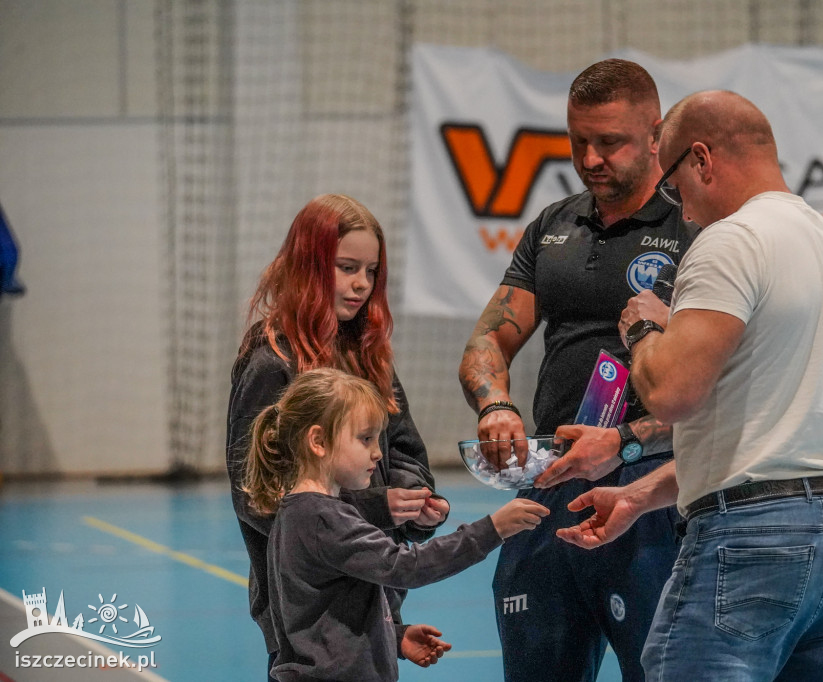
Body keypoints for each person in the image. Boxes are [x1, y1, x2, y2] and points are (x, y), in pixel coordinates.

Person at [557, 90, 823, 680]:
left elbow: (673, 394)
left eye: (675, 187)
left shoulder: (730, 241)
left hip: (749, 544)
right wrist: (636, 496)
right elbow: (771, 443)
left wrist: (645, 328)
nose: (685, 212)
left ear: (701, 158)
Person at [458, 59, 692, 682]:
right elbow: (487, 340)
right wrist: (494, 405)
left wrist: (623, 444)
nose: (590, 158)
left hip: (649, 496)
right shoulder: (553, 226)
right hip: (550, 490)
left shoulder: (695, 228)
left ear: (655, 134)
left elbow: (719, 391)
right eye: (578, 141)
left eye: (609, 142)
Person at [226, 194, 451, 680]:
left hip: (372, 591)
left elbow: (406, 451)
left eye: (371, 272)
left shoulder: (366, 353)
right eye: (346, 267)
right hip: (307, 606)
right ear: (309, 265)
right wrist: (377, 510)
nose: (361, 285)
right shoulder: (271, 361)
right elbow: (257, 497)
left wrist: (418, 507)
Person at [243, 368, 550, 682]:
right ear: (319, 441)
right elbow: (407, 567)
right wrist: (492, 529)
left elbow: (326, 617)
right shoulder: (323, 518)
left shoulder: (301, 511)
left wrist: (394, 636)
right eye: (365, 439)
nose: (378, 453)